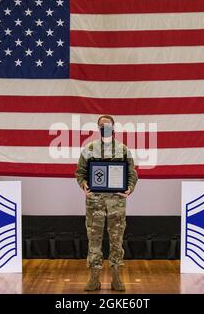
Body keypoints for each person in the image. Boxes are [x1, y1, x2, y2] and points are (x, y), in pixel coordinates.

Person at [75, 115, 138, 291]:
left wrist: (129, 188)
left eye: (108, 125)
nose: (105, 127)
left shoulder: (123, 149)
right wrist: (84, 184)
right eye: (102, 125)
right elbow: (79, 173)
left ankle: (116, 277)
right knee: (94, 240)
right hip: (94, 203)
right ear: (98, 127)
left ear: (113, 127)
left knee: (116, 241)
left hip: (116, 202)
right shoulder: (89, 149)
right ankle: (94, 278)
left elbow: (132, 174)